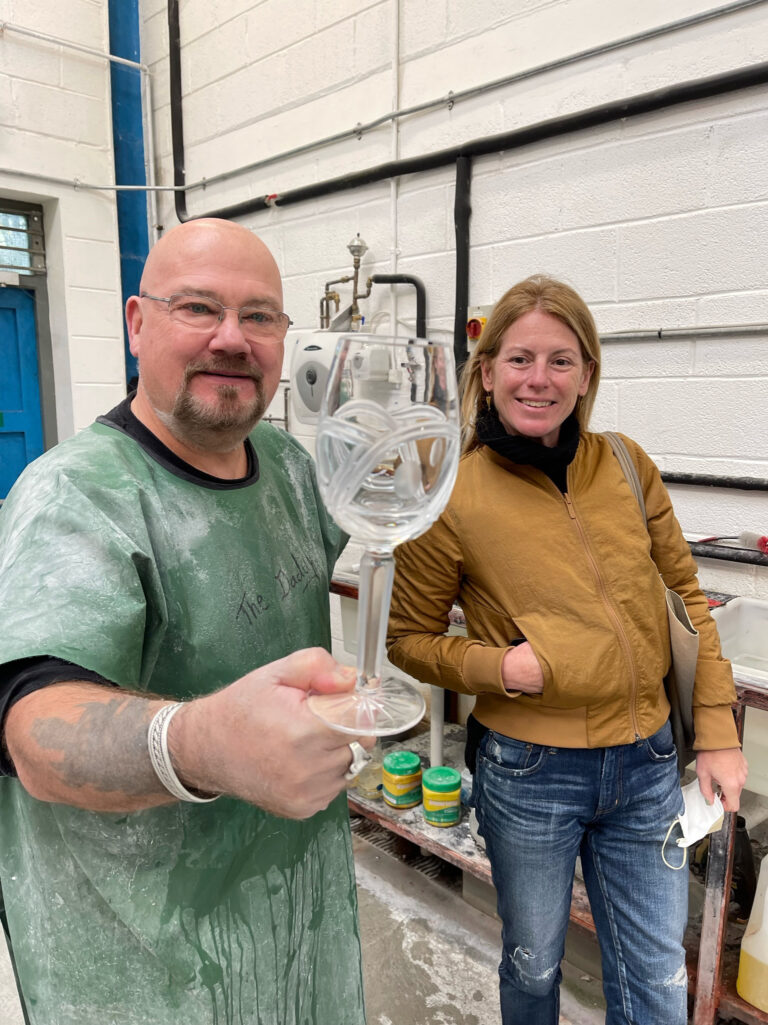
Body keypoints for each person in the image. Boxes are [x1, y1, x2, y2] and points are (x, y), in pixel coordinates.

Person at [0, 218, 371, 1025]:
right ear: (138, 323)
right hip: (144, 960)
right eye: (198, 308)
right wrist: (203, 745)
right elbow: (35, 728)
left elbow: (379, 524)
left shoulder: (289, 468)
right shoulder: (76, 495)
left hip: (293, 923)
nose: (233, 339)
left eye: (260, 316)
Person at [387, 274, 748, 1025]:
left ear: (586, 373)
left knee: (656, 978)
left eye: (561, 359)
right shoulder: (452, 491)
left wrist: (715, 733)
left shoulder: (624, 463)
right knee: (533, 961)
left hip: (648, 762)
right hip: (531, 772)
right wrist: (499, 668)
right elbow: (408, 640)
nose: (539, 378)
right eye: (520, 358)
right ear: (486, 373)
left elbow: (687, 599)